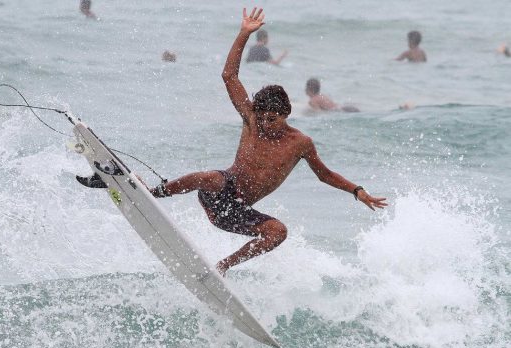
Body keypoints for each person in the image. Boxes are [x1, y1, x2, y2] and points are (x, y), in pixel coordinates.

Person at [145, 8, 386, 275]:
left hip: (237, 213)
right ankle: (153, 193)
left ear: (286, 115)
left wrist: (357, 191)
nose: (264, 124)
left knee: (278, 232)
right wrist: (244, 34)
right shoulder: (251, 119)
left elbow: (325, 175)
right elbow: (229, 76)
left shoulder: (300, 143)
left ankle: (223, 267)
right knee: (210, 177)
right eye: (261, 118)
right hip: (218, 193)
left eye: (271, 119)